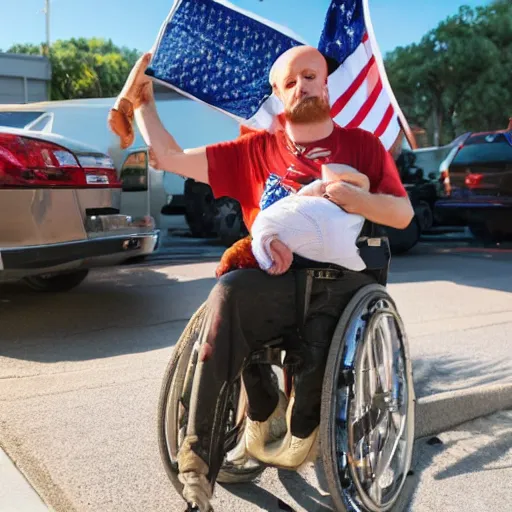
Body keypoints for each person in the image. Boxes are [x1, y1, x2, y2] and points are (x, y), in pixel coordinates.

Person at [109, 45, 414, 512]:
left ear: (326, 82)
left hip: (340, 282)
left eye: (309, 76)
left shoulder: (363, 146)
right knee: (227, 294)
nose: (302, 86)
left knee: (318, 353)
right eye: (289, 82)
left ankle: (299, 422)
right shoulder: (256, 149)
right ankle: (199, 464)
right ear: (277, 94)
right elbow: (168, 156)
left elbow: (402, 213)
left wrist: (355, 198)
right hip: (274, 277)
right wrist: (144, 102)